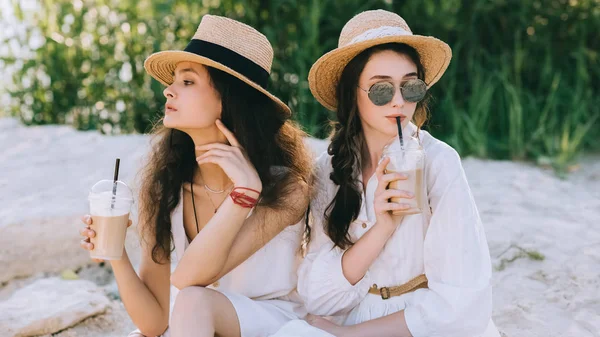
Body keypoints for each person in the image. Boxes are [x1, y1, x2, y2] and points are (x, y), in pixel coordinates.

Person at [78, 14, 312, 337]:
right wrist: (115, 252)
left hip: (270, 325)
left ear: (228, 101)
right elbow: (154, 321)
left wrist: (244, 194)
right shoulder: (167, 187)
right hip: (196, 325)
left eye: (187, 82)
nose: (168, 92)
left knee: (191, 300)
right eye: (173, 82)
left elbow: (188, 278)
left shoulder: (287, 189)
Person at [277, 9, 501, 337]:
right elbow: (318, 297)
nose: (398, 102)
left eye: (410, 88)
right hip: (352, 315)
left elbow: (463, 300)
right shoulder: (330, 169)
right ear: (351, 92)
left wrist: (349, 336)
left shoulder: (439, 162)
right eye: (381, 90)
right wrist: (381, 229)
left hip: (422, 324)